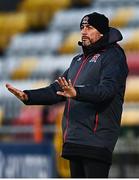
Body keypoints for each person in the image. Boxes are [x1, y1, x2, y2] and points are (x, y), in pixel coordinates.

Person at [6, 12, 128, 178]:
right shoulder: (77, 60)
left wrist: (77, 92)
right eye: (82, 27)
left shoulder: (113, 56)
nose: (84, 31)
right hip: (74, 140)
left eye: (89, 27)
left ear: (101, 32)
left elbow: (107, 90)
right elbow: (56, 89)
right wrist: (28, 96)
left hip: (96, 141)